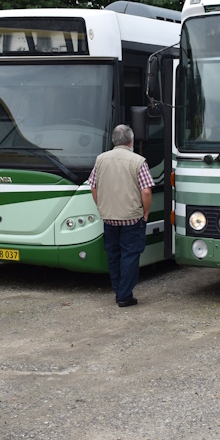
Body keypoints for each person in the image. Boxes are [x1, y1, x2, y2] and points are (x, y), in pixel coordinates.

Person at [87, 124, 153, 308]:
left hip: (109, 218)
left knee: (114, 256)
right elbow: (146, 191)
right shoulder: (138, 161)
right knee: (130, 255)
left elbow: (92, 186)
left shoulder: (101, 159)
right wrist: (145, 213)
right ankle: (125, 295)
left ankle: (119, 291)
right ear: (131, 141)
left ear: (114, 141)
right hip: (132, 218)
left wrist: (101, 206)